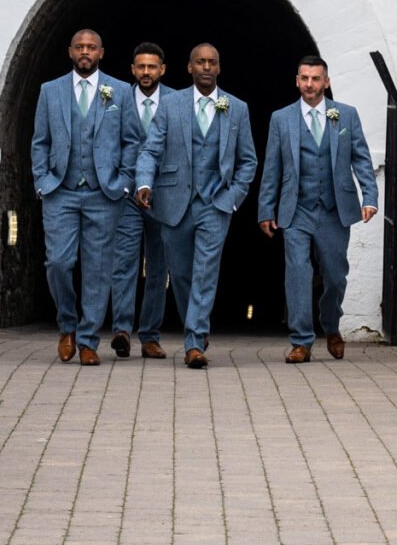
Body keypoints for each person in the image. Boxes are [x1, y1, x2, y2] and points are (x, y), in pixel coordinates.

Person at [135, 43, 257, 368]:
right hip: (174, 201)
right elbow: (150, 150)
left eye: (211, 62)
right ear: (189, 68)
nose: (206, 67)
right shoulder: (171, 105)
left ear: (219, 68)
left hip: (215, 204)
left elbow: (248, 161)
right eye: (200, 62)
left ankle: (193, 341)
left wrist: (232, 199)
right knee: (182, 273)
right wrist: (144, 183)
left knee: (205, 270)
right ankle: (197, 328)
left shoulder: (237, 108)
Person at [258, 56, 377, 364]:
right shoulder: (281, 119)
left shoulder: (346, 116)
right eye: (304, 78)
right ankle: (301, 341)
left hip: (334, 209)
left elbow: (361, 159)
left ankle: (331, 325)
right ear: (297, 81)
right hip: (295, 209)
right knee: (297, 272)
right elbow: (272, 166)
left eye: (315, 78)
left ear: (327, 82)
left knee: (336, 276)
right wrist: (265, 209)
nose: (310, 84)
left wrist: (369, 197)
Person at [31, 29, 139, 366]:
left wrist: (123, 183)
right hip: (60, 191)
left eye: (91, 47)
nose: (85, 52)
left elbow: (132, 141)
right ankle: (68, 325)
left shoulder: (120, 91)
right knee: (59, 263)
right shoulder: (50, 91)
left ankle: (89, 340)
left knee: (98, 268)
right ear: (70, 51)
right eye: (79, 46)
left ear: (101, 53)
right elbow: (40, 142)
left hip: (103, 193)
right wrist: (42, 181)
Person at [110, 43, 174, 360]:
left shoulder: (177, 101)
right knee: (124, 263)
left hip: (163, 196)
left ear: (162, 69)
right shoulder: (117, 98)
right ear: (133, 69)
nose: (146, 72)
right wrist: (117, 183)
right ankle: (122, 329)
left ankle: (149, 335)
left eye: (152, 67)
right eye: (140, 67)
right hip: (126, 196)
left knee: (158, 269)